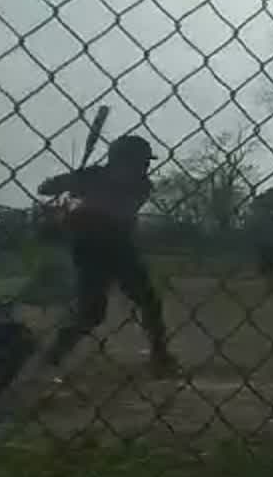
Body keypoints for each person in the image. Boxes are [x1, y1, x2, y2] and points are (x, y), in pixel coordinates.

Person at [36, 134, 178, 377]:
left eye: (145, 162)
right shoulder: (92, 176)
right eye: (140, 161)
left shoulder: (142, 185)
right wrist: (71, 180)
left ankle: (160, 354)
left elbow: (116, 207)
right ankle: (53, 356)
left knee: (149, 301)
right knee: (91, 313)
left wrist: (85, 186)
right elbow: (44, 188)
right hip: (90, 248)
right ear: (121, 160)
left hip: (119, 245)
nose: (145, 166)